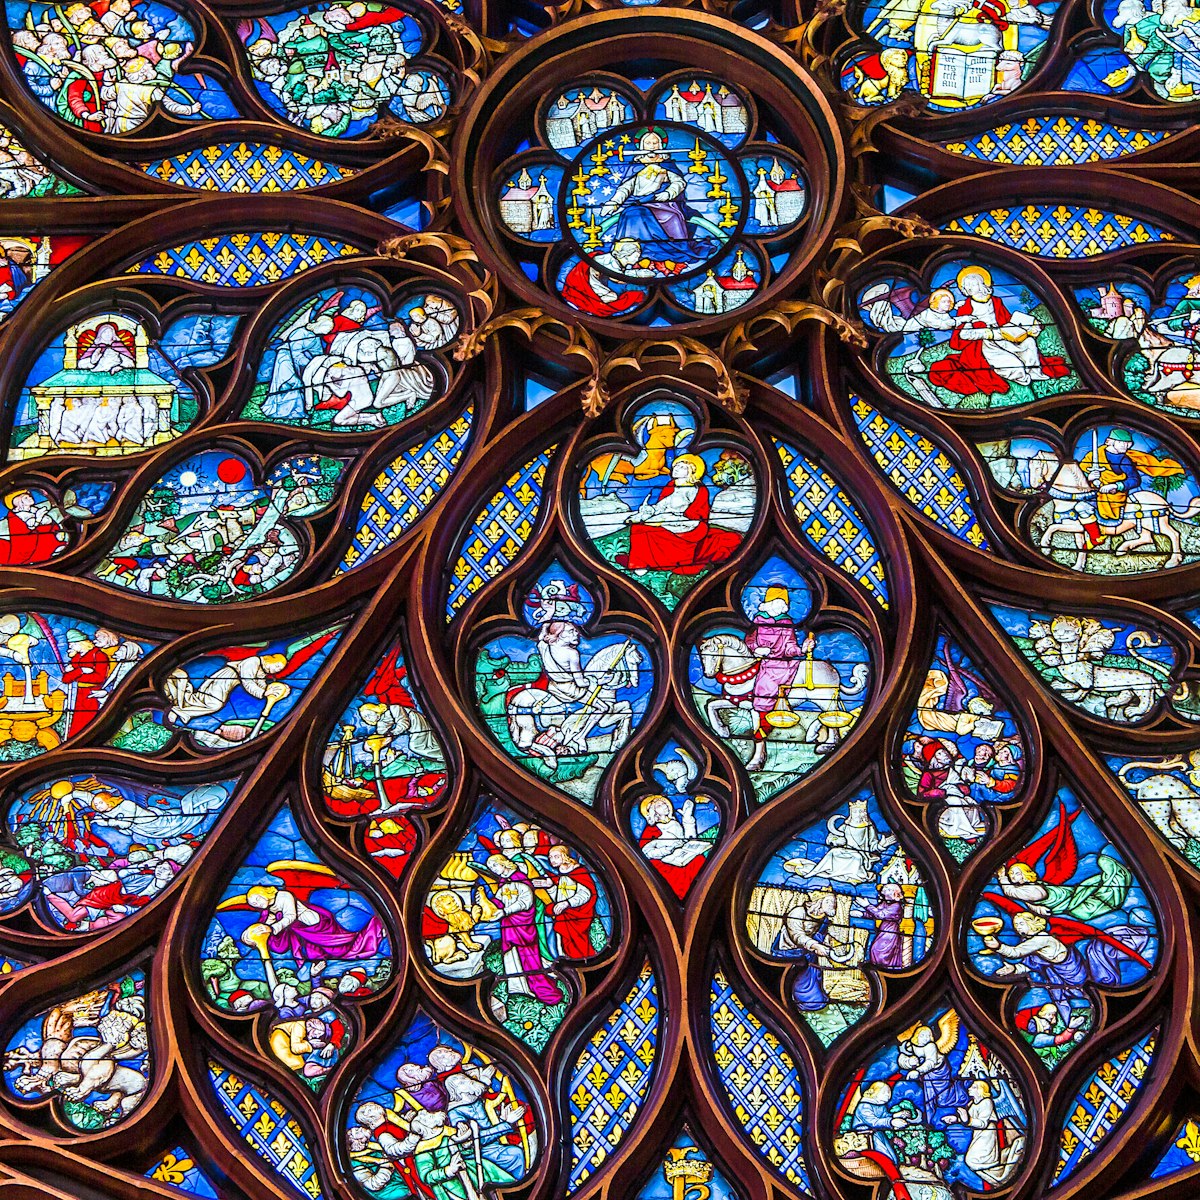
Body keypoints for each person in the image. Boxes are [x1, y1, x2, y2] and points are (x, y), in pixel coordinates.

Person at [929, 266, 1069, 397]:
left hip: (1005, 336)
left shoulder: (996, 301)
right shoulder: (965, 308)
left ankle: (1035, 372)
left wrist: (1028, 327)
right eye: (966, 286)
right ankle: (1023, 378)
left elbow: (1007, 319)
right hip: (984, 344)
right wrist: (985, 331)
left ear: (982, 283)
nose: (968, 287)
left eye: (972, 284)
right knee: (1012, 364)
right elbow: (962, 335)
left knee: (1029, 342)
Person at [618, 454, 741, 575]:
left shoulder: (697, 489)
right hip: (666, 520)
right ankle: (641, 563)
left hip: (685, 527)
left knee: (644, 529)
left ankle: (649, 563)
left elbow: (697, 515)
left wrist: (665, 520)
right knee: (638, 527)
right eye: (676, 465)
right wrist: (648, 511)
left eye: (682, 467)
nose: (676, 468)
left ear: (692, 471)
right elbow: (661, 506)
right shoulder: (671, 486)